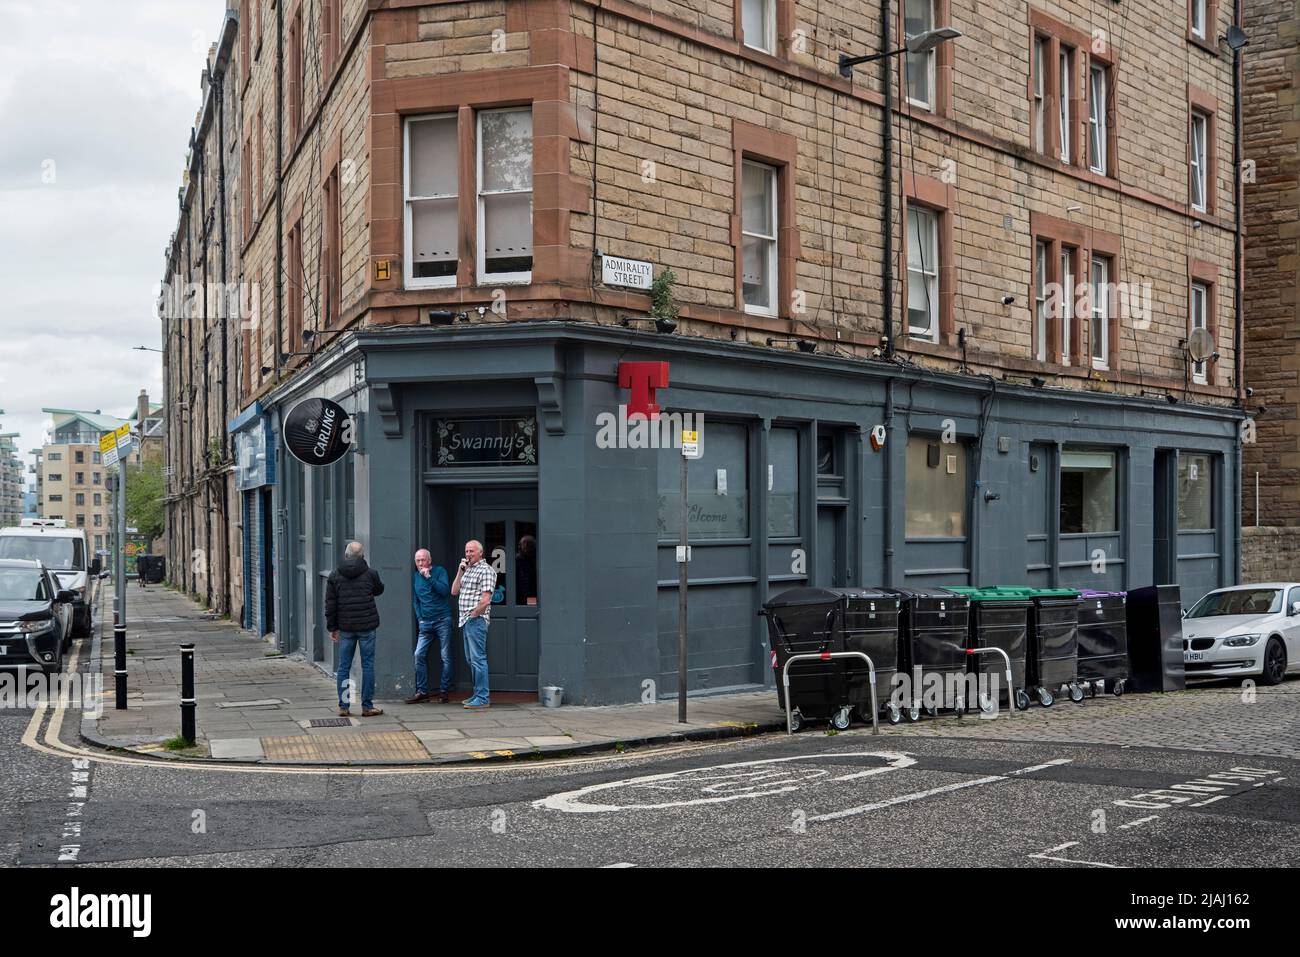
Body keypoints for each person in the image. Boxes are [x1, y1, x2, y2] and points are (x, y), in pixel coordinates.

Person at [325, 541, 386, 718]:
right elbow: (379, 590)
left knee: (344, 667)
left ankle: (344, 706)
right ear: (362, 555)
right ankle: (367, 706)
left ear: (346, 555)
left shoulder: (335, 575)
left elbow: (330, 604)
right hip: (367, 627)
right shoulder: (370, 573)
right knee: (367, 665)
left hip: (346, 628)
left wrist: (332, 627)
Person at [451, 539, 496, 710]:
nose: (468, 554)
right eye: (467, 551)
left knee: (478, 659)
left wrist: (474, 613)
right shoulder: (467, 570)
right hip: (466, 621)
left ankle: (483, 697)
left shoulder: (486, 570)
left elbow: (486, 599)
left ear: (480, 553)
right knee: (471, 660)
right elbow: (454, 591)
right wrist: (460, 570)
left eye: (472, 551)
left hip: (475, 620)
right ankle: (477, 694)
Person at [406, 549, 453, 704]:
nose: (420, 564)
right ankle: (423, 691)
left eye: (423, 560)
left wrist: (429, 577)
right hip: (425, 623)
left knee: (445, 656)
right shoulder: (415, 577)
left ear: (430, 560)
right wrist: (420, 618)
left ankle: (444, 691)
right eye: (418, 561)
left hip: (442, 620)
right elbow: (416, 600)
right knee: (419, 655)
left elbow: (445, 591)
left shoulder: (440, 572)